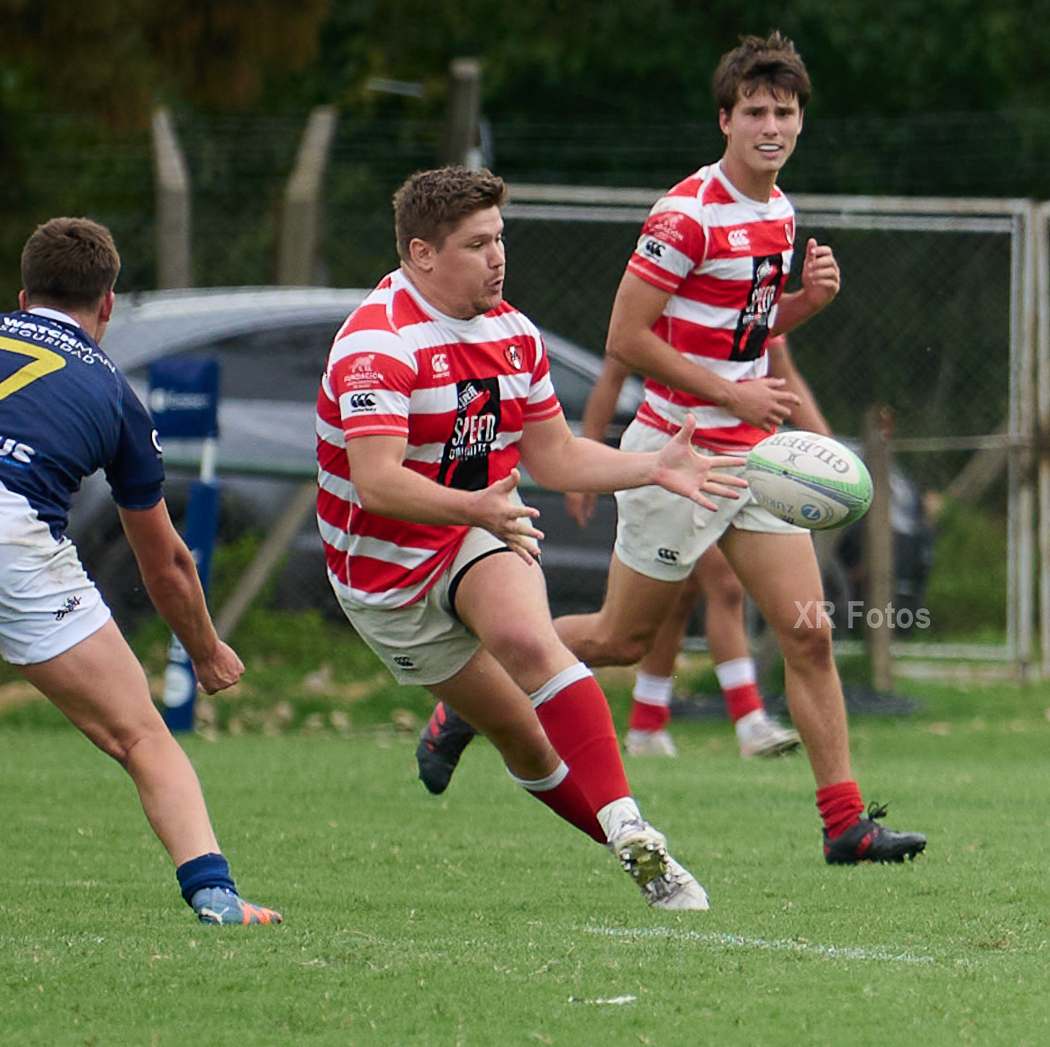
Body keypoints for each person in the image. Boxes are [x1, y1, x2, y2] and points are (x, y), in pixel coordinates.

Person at [319, 167, 747, 911]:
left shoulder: (514, 334)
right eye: (477, 244)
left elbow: (554, 458)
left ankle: (632, 831)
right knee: (524, 739)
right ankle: (620, 840)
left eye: (500, 239)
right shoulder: (378, 344)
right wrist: (476, 507)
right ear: (422, 254)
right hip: (384, 577)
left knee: (529, 641)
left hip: (477, 529)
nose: (497, 257)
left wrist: (654, 467)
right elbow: (377, 483)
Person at [551, 32, 926, 866]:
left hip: (755, 459)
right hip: (678, 457)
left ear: (800, 122)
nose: (770, 126)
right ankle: (478, 683)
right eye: (754, 111)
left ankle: (845, 824)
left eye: (783, 112)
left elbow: (743, 334)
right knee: (617, 640)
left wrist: (805, 303)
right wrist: (732, 394)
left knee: (810, 633)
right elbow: (625, 338)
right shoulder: (684, 215)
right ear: (725, 120)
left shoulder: (779, 212)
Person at [0, 217, 279, 926]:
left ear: (23, 296)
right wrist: (206, 650)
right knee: (141, 738)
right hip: (16, 553)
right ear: (107, 304)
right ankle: (215, 895)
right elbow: (165, 561)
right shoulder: (115, 394)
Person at [415, 336, 820, 779]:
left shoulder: (759, 296)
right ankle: (486, 683)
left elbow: (780, 363)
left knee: (704, 594)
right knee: (635, 629)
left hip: (737, 460)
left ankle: (692, 720)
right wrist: (583, 469)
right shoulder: (668, 301)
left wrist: (826, 449)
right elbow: (616, 364)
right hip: (671, 458)